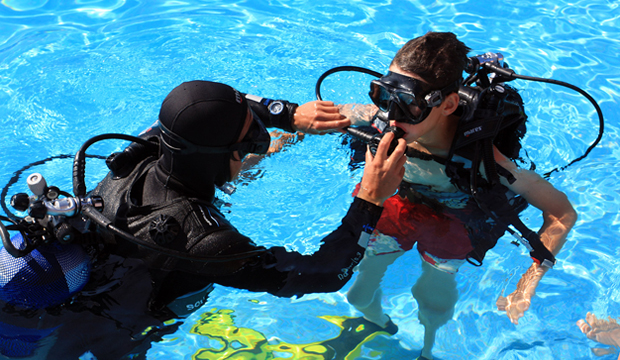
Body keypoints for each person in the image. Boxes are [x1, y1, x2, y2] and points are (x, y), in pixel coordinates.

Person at [0, 80, 407, 360]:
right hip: (107, 334)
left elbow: (201, 103)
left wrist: (288, 115)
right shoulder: (203, 240)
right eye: (252, 143)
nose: (258, 146)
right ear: (225, 155)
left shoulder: (142, 152)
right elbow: (325, 273)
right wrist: (370, 199)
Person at [337, 32, 577, 360]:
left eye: (408, 104)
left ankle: (428, 348)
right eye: (384, 96)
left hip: (455, 220)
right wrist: (263, 148)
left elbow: (563, 213)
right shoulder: (380, 121)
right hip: (399, 202)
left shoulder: (484, 161)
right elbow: (306, 120)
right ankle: (380, 323)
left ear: (448, 104)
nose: (393, 115)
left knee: (433, 303)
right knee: (358, 295)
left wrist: (530, 280)